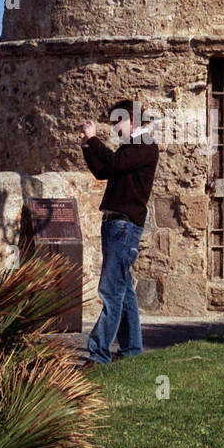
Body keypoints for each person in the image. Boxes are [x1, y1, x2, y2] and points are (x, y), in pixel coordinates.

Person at [77, 99, 160, 369]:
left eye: (117, 122)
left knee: (110, 290)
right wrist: (87, 146)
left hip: (123, 226)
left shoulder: (145, 146)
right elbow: (103, 172)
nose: (115, 128)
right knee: (123, 291)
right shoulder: (132, 148)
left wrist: (94, 139)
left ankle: (98, 353)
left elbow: (112, 163)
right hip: (117, 225)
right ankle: (132, 349)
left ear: (133, 121)